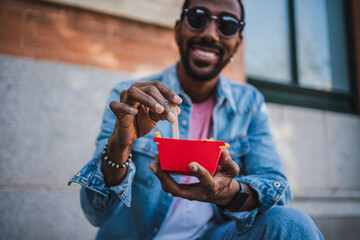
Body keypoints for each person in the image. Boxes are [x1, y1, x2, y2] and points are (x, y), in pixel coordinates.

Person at [69, 0, 324, 239]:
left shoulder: (250, 104)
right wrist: (118, 147)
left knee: (292, 224)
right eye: (198, 18)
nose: (211, 34)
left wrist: (229, 193)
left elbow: (277, 192)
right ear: (178, 30)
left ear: (238, 41)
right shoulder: (130, 98)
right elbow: (96, 213)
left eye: (227, 25)